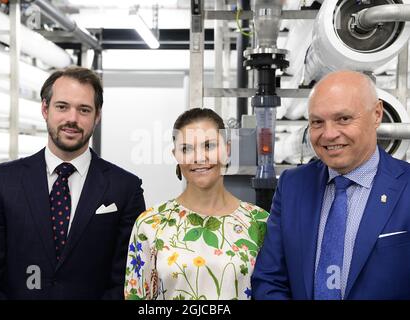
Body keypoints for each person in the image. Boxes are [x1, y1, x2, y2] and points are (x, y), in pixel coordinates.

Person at [0, 66, 145, 299]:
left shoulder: (125, 189)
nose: (72, 118)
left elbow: (126, 282)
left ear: (97, 116)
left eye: (84, 110)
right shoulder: (1, 183)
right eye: (62, 106)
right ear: (44, 108)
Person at [251, 70, 410, 300]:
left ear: (377, 114)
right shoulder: (293, 186)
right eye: (317, 122)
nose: (329, 134)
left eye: (343, 119)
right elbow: (269, 279)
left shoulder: (405, 186)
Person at [124, 108, 269, 300]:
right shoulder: (150, 224)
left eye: (209, 146)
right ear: (175, 155)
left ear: (227, 149)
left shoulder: (258, 222)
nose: (199, 157)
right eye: (186, 149)